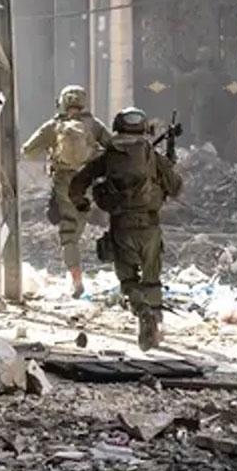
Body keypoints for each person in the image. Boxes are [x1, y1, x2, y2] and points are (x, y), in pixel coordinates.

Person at [69, 108, 183, 350]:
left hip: (121, 227)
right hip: (149, 226)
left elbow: (78, 181)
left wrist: (82, 203)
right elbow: (175, 187)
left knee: (128, 280)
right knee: (152, 278)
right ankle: (155, 324)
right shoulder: (150, 154)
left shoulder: (109, 155)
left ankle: (142, 311)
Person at [21, 84, 111, 297]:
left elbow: (28, 150)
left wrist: (51, 151)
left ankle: (76, 280)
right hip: (87, 182)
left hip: (64, 183)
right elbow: (113, 146)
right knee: (92, 221)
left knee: (69, 235)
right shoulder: (94, 124)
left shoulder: (53, 126)